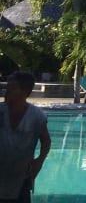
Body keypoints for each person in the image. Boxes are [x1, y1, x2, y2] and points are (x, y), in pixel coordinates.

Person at [0, 71, 51, 203]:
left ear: (25, 91)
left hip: (21, 178)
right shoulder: (1, 112)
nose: (7, 92)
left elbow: (46, 141)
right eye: (7, 88)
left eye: (13, 88)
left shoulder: (36, 116)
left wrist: (39, 161)